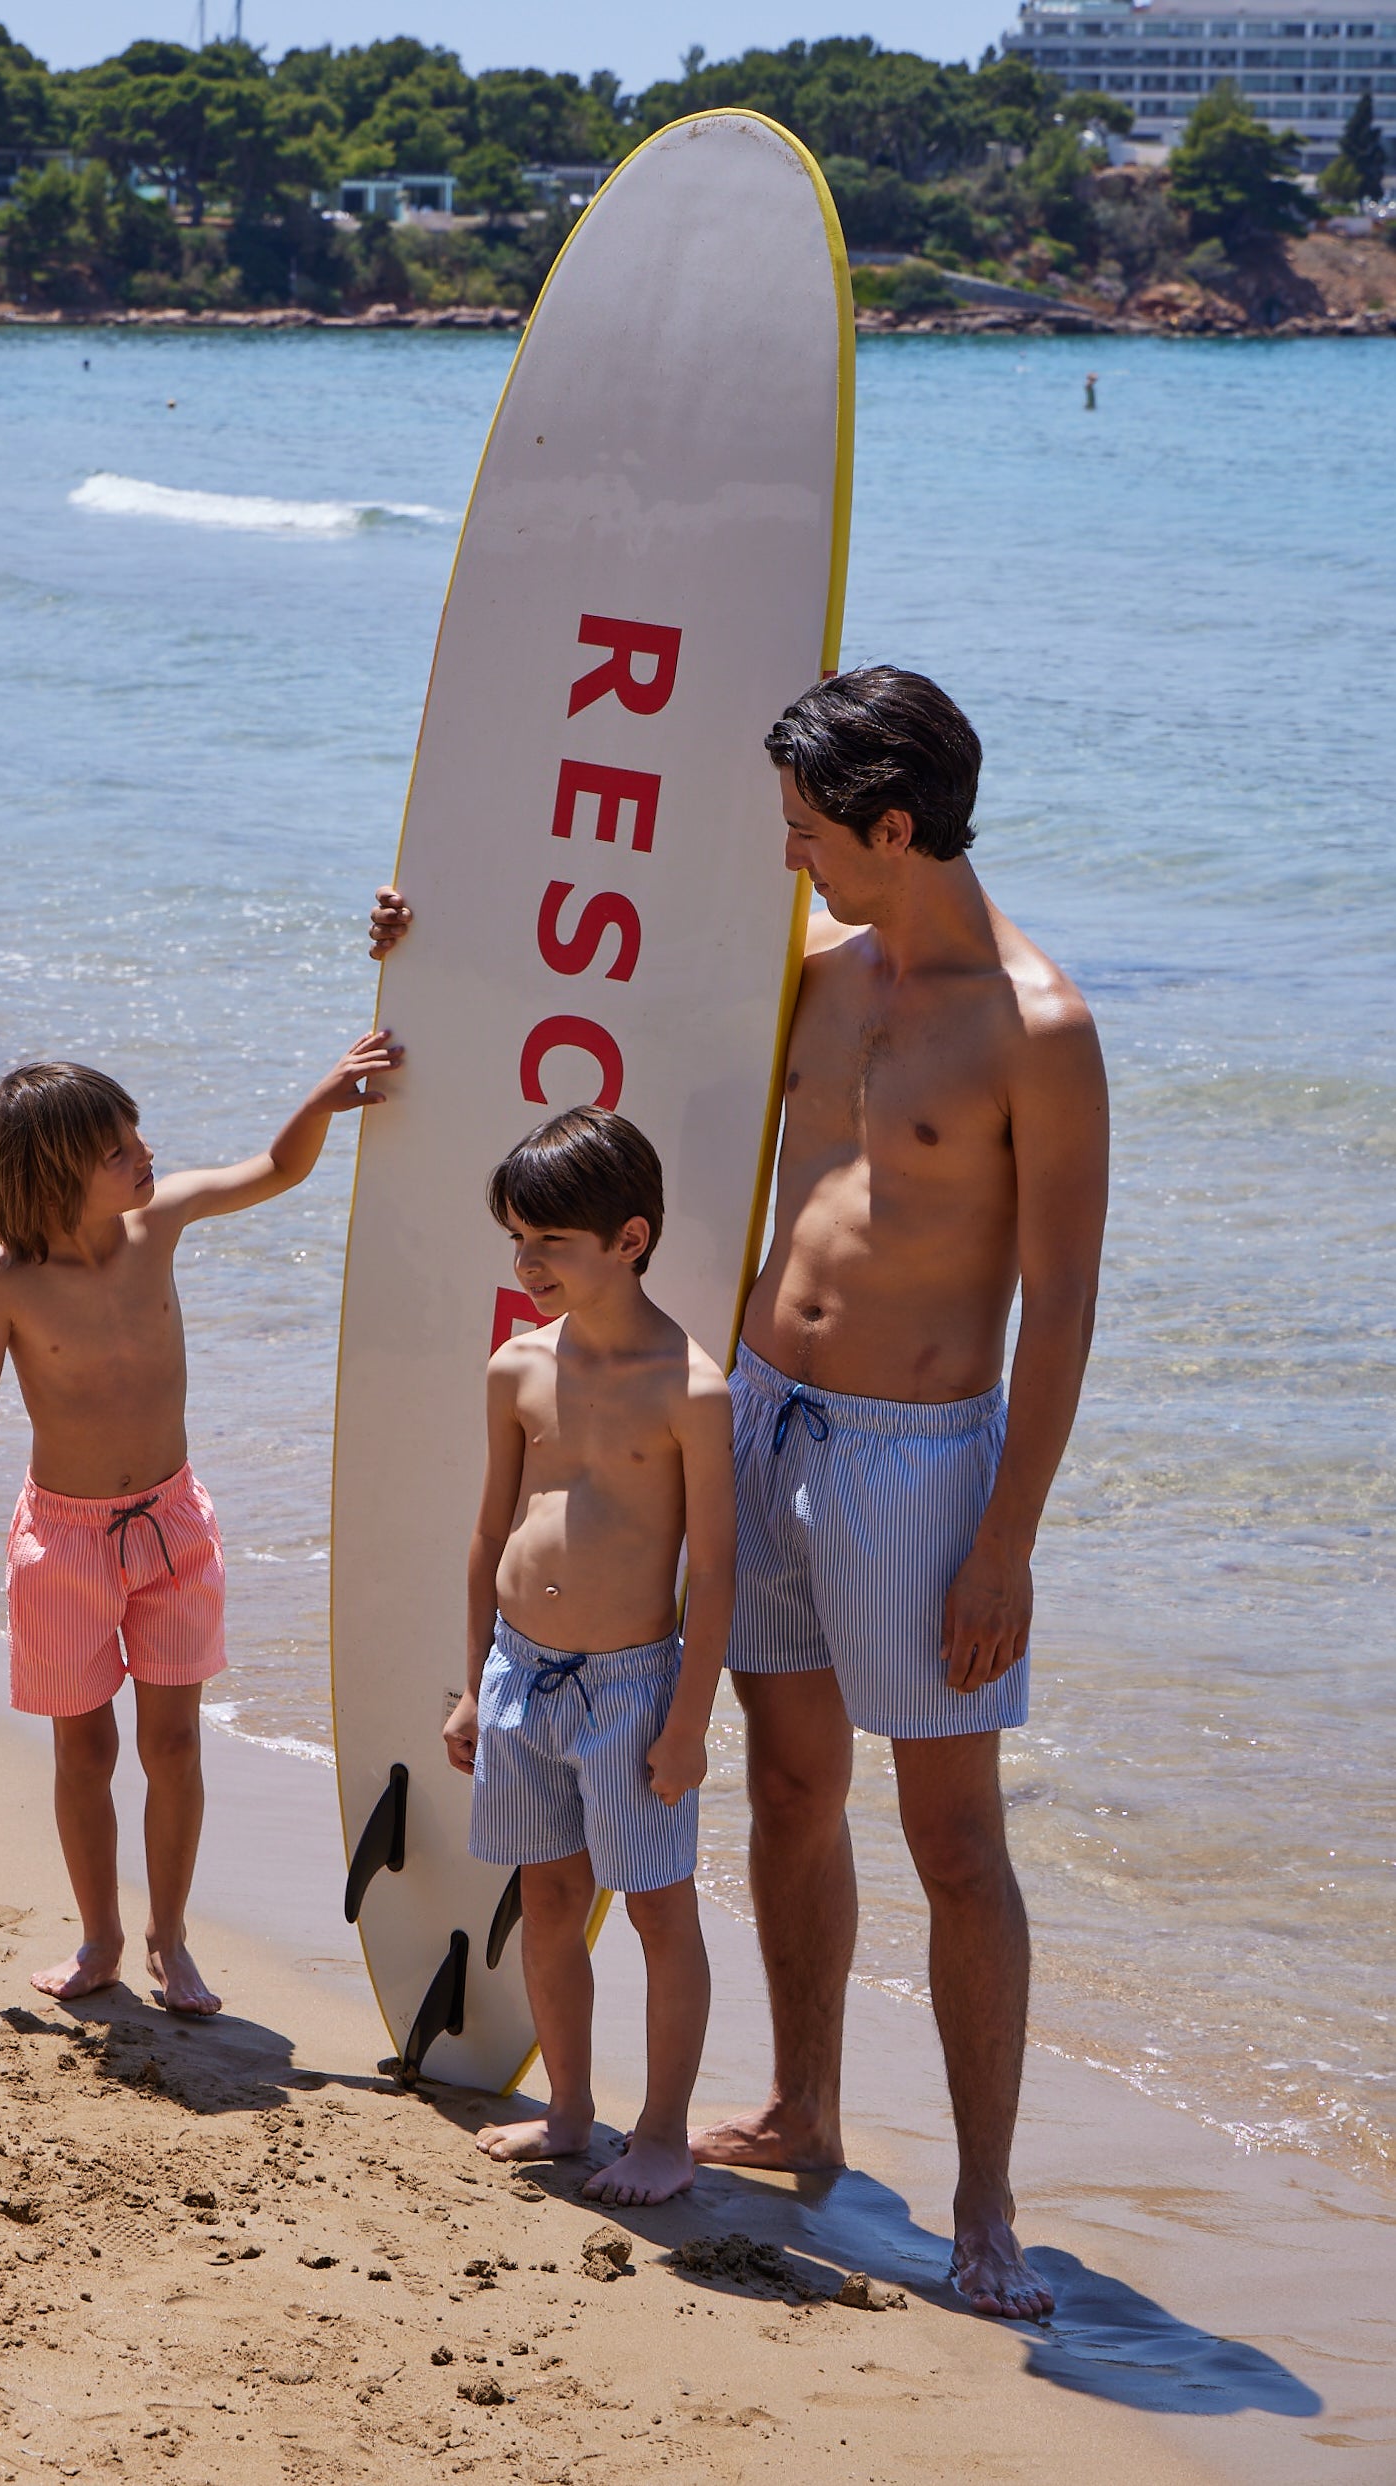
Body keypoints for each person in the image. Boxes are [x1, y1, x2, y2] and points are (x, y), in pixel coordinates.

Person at [370, 664, 1108, 2317]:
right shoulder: (811, 974)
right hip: (762, 1417)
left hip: (919, 1468)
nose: (786, 859)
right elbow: (596, 967)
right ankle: (801, 2103)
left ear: (890, 826)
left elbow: (1058, 1300)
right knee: (784, 1792)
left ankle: (983, 2206)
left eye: (806, 832)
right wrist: (425, 931)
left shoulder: (1037, 1031)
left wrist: (1009, 1537)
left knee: (953, 1841)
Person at [0, 1035, 401, 2013]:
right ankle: (100, 1933)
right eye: (116, 1148)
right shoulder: (4, 1283)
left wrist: (319, 1093)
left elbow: (275, 1169)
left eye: (134, 1133)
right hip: (60, 1539)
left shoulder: (165, 1221)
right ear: (50, 1175)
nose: (143, 1151)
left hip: (172, 1526)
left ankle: (169, 1936)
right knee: (86, 1752)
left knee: (174, 1746)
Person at [443, 1108, 735, 2208]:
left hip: (630, 1686)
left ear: (628, 1236)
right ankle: (568, 2108)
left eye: (548, 1242)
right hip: (522, 1670)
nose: (524, 1263)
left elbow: (713, 1572)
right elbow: (487, 1532)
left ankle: (660, 2133)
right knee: (548, 1893)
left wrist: (687, 1721)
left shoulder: (690, 1387)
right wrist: (472, 1681)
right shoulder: (514, 1364)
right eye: (515, 1239)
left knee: (659, 1909)